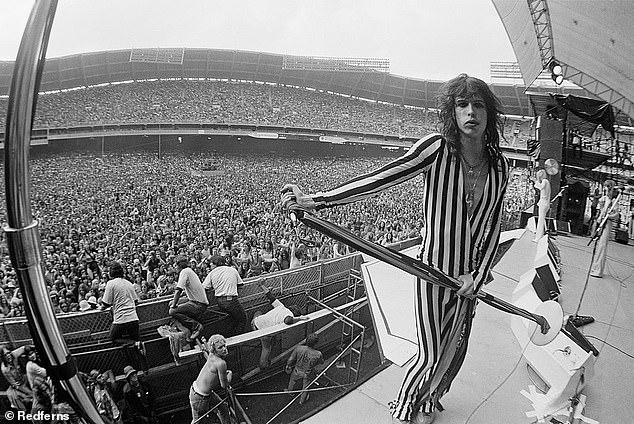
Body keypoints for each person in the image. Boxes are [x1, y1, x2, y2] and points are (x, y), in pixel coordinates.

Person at [281, 74, 509, 424]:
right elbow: (382, 178)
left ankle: (428, 400)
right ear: (452, 111)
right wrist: (318, 201)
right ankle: (404, 410)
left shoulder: (501, 167)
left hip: (470, 279)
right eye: (462, 104)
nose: (471, 112)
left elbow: (493, 225)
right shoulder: (436, 149)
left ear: (489, 113)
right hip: (433, 271)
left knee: (453, 351)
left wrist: (476, 276)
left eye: (478, 104)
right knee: (431, 354)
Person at [251, 284, 308, 369]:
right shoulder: (289, 315)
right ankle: (263, 364)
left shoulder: (281, 306)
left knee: (258, 312)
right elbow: (288, 320)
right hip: (263, 333)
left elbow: (270, 296)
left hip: (255, 323)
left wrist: (262, 285)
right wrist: (300, 318)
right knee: (266, 348)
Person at [101, 262, 146, 359]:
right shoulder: (128, 283)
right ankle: (144, 367)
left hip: (121, 319)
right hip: (133, 318)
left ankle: (134, 343)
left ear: (111, 273)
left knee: (113, 338)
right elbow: (135, 300)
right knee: (138, 343)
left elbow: (105, 303)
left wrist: (101, 308)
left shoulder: (110, 283)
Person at [189, 334, 232, 424]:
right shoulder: (221, 363)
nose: (224, 349)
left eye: (224, 345)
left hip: (196, 391)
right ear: (215, 350)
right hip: (200, 397)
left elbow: (209, 349)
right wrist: (229, 374)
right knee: (199, 422)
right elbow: (224, 385)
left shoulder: (211, 355)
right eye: (220, 347)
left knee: (223, 407)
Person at [202, 256, 247, 337]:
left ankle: (232, 337)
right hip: (232, 300)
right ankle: (237, 338)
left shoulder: (212, 273)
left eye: (211, 264)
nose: (210, 266)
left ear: (216, 263)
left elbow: (204, 287)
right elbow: (240, 285)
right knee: (243, 319)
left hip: (220, 301)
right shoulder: (232, 270)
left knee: (231, 320)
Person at [169, 256, 209, 341]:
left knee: (172, 311)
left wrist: (174, 305)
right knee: (171, 303)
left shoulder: (184, 272)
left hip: (198, 305)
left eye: (175, 265)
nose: (175, 267)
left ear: (179, 265)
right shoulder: (189, 271)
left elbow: (178, 290)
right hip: (196, 301)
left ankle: (196, 326)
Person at [590, 181, 620, 278]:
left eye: (607, 187)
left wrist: (609, 216)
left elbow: (616, 215)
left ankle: (598, 270)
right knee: (598, 246)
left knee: (602, 245)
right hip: (600, 222)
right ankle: (595, 267)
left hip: (607, 223)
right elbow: (599, 211)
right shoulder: (603, 199)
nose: (606, 189)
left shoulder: (614, 201)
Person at [285, 333, 324, 405]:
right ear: (316, 343)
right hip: (307, 373)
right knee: (305, 387)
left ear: (306, 340)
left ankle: (290, 392)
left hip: (297, 370)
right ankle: (302, 401)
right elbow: (321, 362)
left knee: (292, 381)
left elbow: (290, 359)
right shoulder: (318, 354)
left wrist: (288, 365)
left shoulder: (298, 348)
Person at [0, 344, 32, 411]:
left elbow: (24, 348)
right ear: (2, 357)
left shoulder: (13, 354)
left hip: (25, 377)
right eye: (5, 355)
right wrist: (30, 393)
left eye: (9, 353)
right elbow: (16, 385)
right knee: (31, 396)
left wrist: (31, 349)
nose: (8, 355)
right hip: (21, 385)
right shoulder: (5, 369)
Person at [533, 169, 551, 241]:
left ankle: (538, 237)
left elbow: (540, 187)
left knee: (540, 220)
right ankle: (540, 235)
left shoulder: (544, 181)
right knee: (542, 220)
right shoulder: (547, 182)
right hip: (545, 202)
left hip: (544, 202)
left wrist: (535, 181)